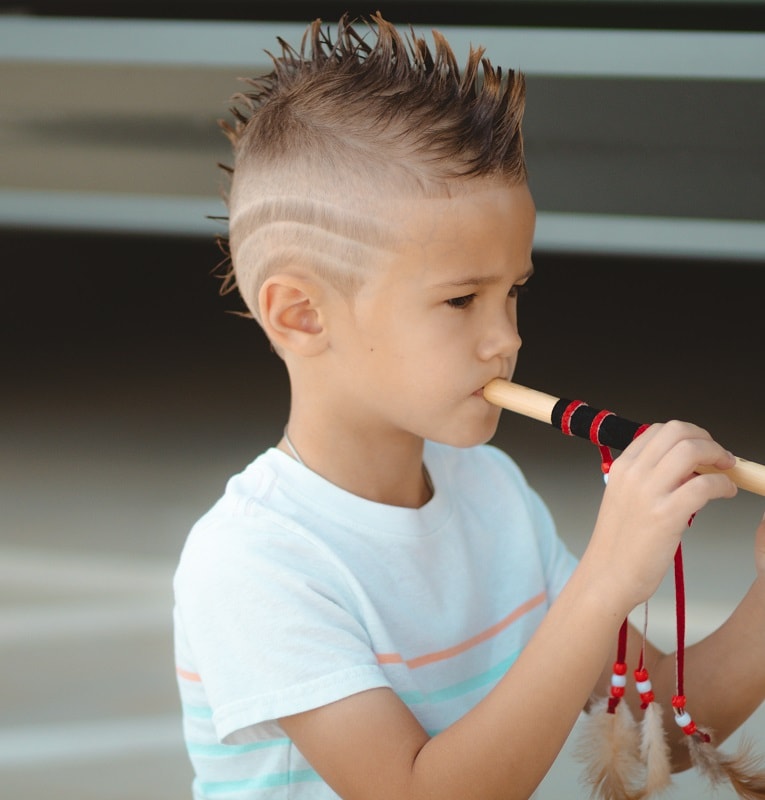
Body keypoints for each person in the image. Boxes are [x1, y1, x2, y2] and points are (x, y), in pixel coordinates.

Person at [173, 13, 765, 800]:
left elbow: (667, 734)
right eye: (460, 300)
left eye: (512, 291)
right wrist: (604, 578)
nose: (504, 341)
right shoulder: (253, 562)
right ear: (301, 315)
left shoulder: (489, 492)